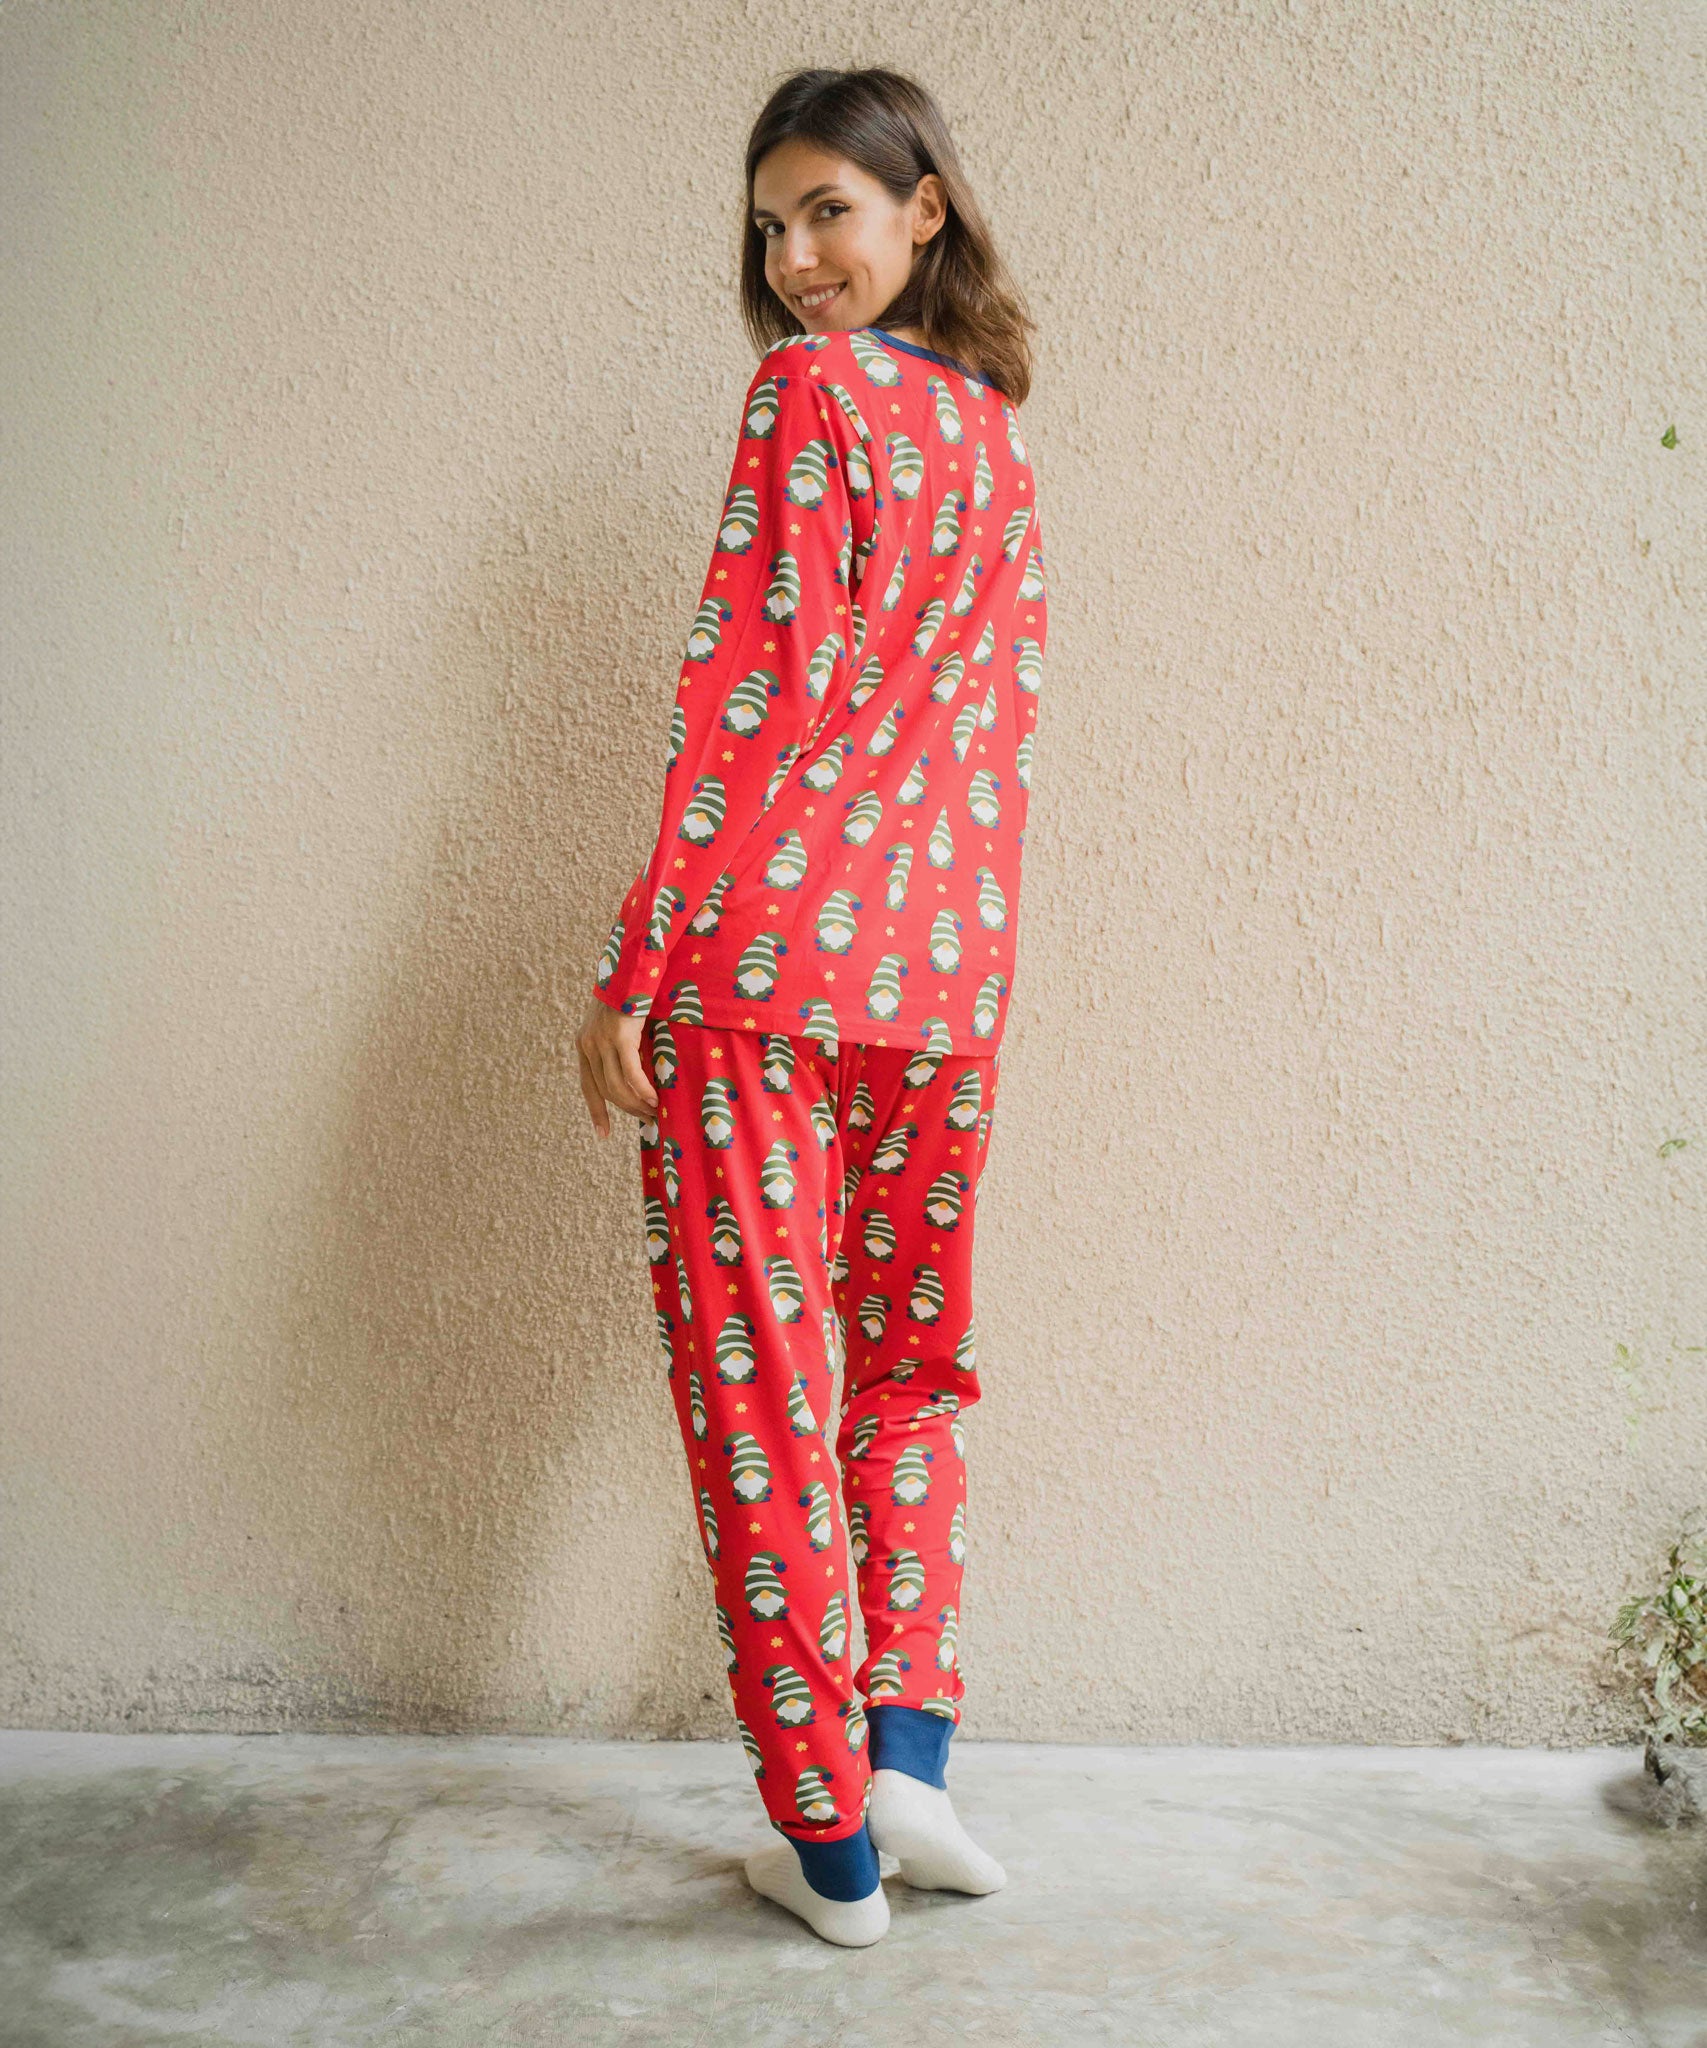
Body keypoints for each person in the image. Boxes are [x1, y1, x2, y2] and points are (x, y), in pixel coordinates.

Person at [577, 66, 1047, 1948]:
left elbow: (745, 702)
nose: (794, 259)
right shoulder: (995, 437)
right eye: (772, 227)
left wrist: (639, 964)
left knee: (765, 1396)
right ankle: (911, 1761)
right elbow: (996, 732)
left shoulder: (807, 397)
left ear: (923, 209)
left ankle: (830, 1845)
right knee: (903, 1376)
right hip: (942, 980)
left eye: (830, 212)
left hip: (765, 971)